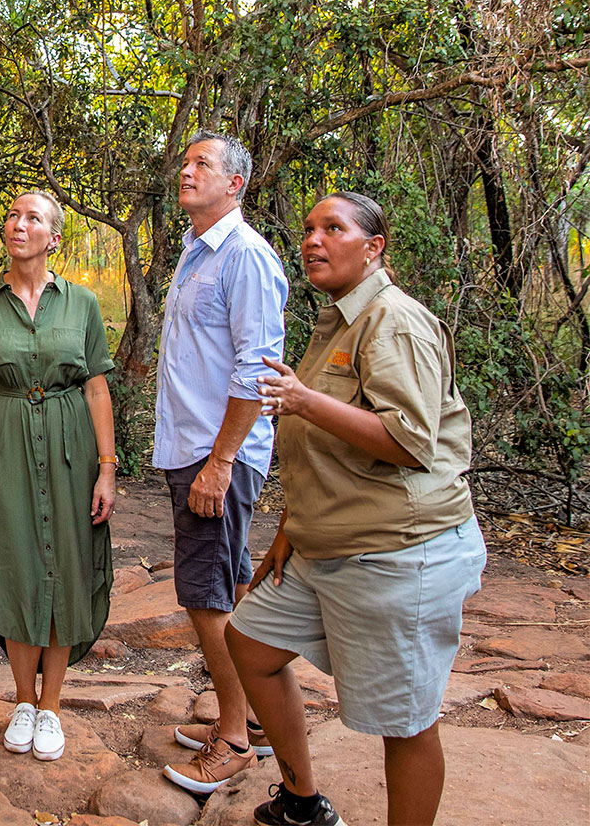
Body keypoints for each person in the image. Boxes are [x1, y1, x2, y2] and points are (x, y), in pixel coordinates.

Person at [226, 191, 487, 826]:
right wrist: (288, 532)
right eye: (309, 229)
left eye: (332, 229)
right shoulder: (337, 322)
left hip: (397, 552)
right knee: (251, 642)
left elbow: (408, 440)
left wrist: (305, 400)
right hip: (324, 545)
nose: (313, 240)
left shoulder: (392, 321)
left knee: (405, 721)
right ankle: (302, 802)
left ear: (373, 249)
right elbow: (321, 452)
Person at [0, 190, 118, 762]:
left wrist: (107, 468)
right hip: (6, 445)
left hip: (73, 444)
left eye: (34, 218)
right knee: (18, 564)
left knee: (67, 569)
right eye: (13, 215)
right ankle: (24, 699)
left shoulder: (83, 303)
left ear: (54, 238)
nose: (18, 224)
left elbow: (97, 387)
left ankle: (52, 706)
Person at [155, 131, 289, 794]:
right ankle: (258, 721)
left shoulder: (245, 257)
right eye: (186, 161)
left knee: (204, 596)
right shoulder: (195, 253)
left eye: (201, 164)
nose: (187, 170)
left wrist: (220, 461)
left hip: (217, 456)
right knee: (232, 585)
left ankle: (233, 738)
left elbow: (257, 371)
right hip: (195, 447)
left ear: (235, 184)